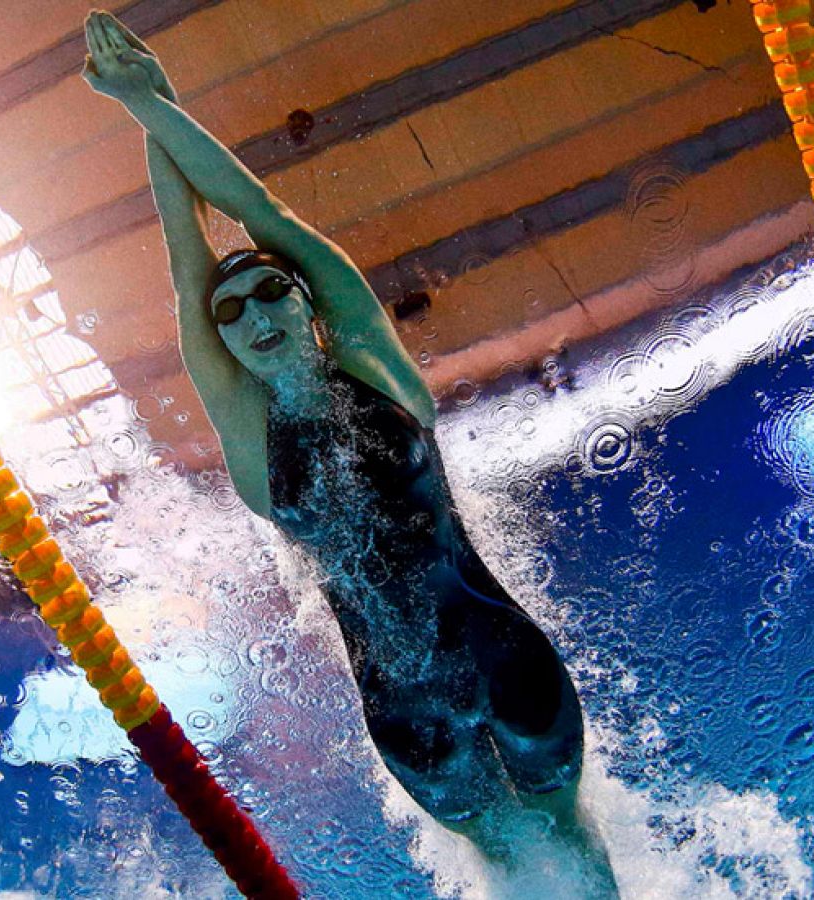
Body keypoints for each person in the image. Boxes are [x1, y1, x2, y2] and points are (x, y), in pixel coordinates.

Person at [81, 11, 615, 883]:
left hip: (506, 659)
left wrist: (152, 105)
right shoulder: (252, 443)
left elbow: (263, 213)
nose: (254, 316)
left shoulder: (377, 368)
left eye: (271, 292)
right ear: (224, 343)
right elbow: (187, 268)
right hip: (409, 718)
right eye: (232, 313)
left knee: (571, 835)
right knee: (502, 865)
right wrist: (148, 103)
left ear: (309, 304)